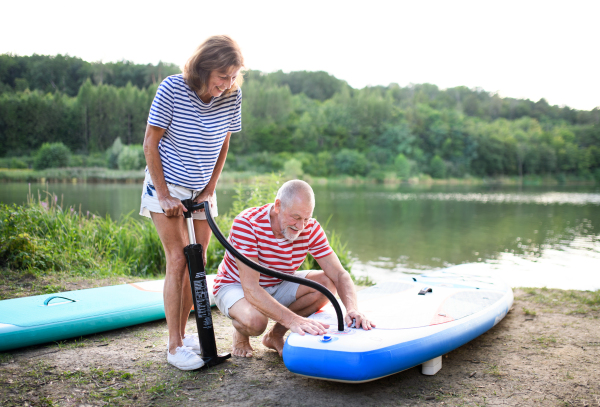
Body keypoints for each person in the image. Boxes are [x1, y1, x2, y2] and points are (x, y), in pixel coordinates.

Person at [140, 35, 243, 370]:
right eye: (222, 76)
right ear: (204, 67)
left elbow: (224, 144)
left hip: (202, 191)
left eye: (233, 77)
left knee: (197, 263)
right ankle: (174, 347)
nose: (227, 84)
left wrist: (210, 189)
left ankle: (187, 337)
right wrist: (165, 194)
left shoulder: (232, 96)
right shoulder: (172, 88)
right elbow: (150, 143)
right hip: (165, 183)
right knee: (178, 261)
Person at [213, 180, 375, 357]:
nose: (301, 226)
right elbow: (251, 288)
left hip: (278, 282)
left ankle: (275, 335)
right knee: (255, 322)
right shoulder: (247, 223)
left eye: (306, 218)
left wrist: (352, 309)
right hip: (236, 286)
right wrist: (293, 320)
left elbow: (339, 274)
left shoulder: (310, 228)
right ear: (278, 206)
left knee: (327, 284)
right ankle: (241, 333)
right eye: (296, 217)